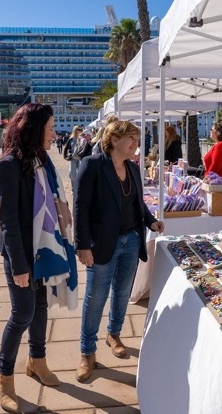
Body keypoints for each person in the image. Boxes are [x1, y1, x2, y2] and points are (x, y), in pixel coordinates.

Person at [0, 103, 78, 413]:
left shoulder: (41, 161)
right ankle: (4, 378)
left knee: (40, 307)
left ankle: (37, 361)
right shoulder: (8, 166)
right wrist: (19, 266)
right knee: (22, 314)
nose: (54, 134)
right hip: (22, 252)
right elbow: (9, 222)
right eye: (50, 128)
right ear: (33, 129)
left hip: (45, 248)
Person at [74, 120, 164, 382]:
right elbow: (80, 208)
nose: (136, 143)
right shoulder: (92, 165)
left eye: (137, 138)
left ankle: (113, 334)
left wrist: (150, 221)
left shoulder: (133, 168)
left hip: (131, 240)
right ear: (114, 140)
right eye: (131, 138)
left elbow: (138, 203)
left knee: (123, 292)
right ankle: (87, 352)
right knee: (96, 297)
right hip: (102, 243)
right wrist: (83, 245)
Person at [63, 125, 83, 194]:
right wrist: (65, 156)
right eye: (79, 129)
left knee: (80, 173)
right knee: (72, 174)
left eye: (81, 130)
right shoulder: (71, 139)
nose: (80, 131)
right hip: (73, 158)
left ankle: (79, 187)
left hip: (80, 158)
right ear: (75, 130)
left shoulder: (82, 138)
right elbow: (66, 148)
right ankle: (73, 188)